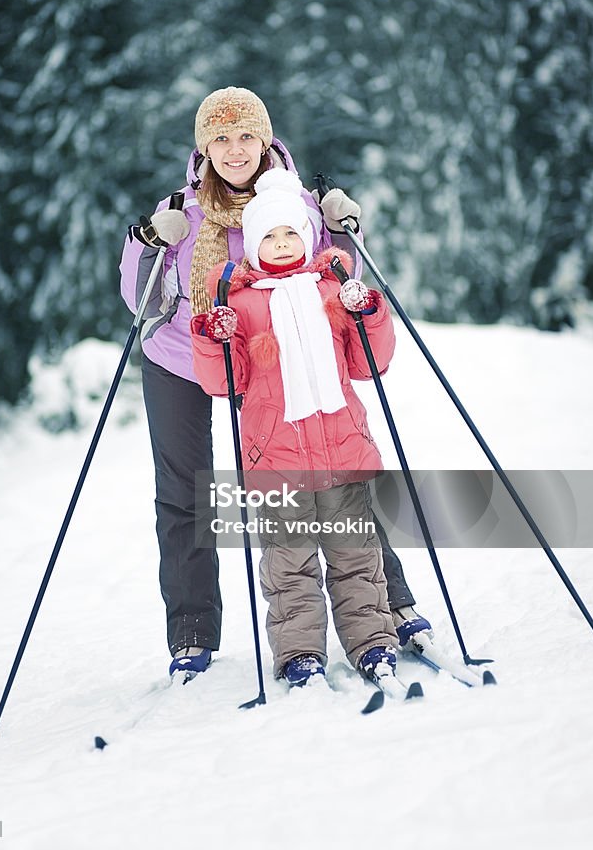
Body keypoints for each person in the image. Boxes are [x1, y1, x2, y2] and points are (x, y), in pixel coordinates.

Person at [119, 86, 430, 679]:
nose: (234, 150)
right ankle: (192, 631)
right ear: (203, 146)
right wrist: (147, 243)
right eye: (220, 138)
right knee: (185, 488)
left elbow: (333, 285)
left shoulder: (299, 203)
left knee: (338, 467)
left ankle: (392, 601)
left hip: (267, 356)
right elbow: (140, 301)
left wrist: (341, 229)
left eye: (245, 136)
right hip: (182, 354)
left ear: (265, 139)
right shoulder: (179, 210)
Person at [190, 168, 402, 684]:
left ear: (308, 237)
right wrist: (212, 337)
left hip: (342, 451)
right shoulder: (238, 303)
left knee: (356, 557)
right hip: (277, 459)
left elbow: (370, 364)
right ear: (254, 246)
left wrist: (366, 312)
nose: (281, 244)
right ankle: (300, 653)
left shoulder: (333, 291)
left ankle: (372, 643)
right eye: (269, 236)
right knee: (289, 569)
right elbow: (223, 382)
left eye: (291, 234)